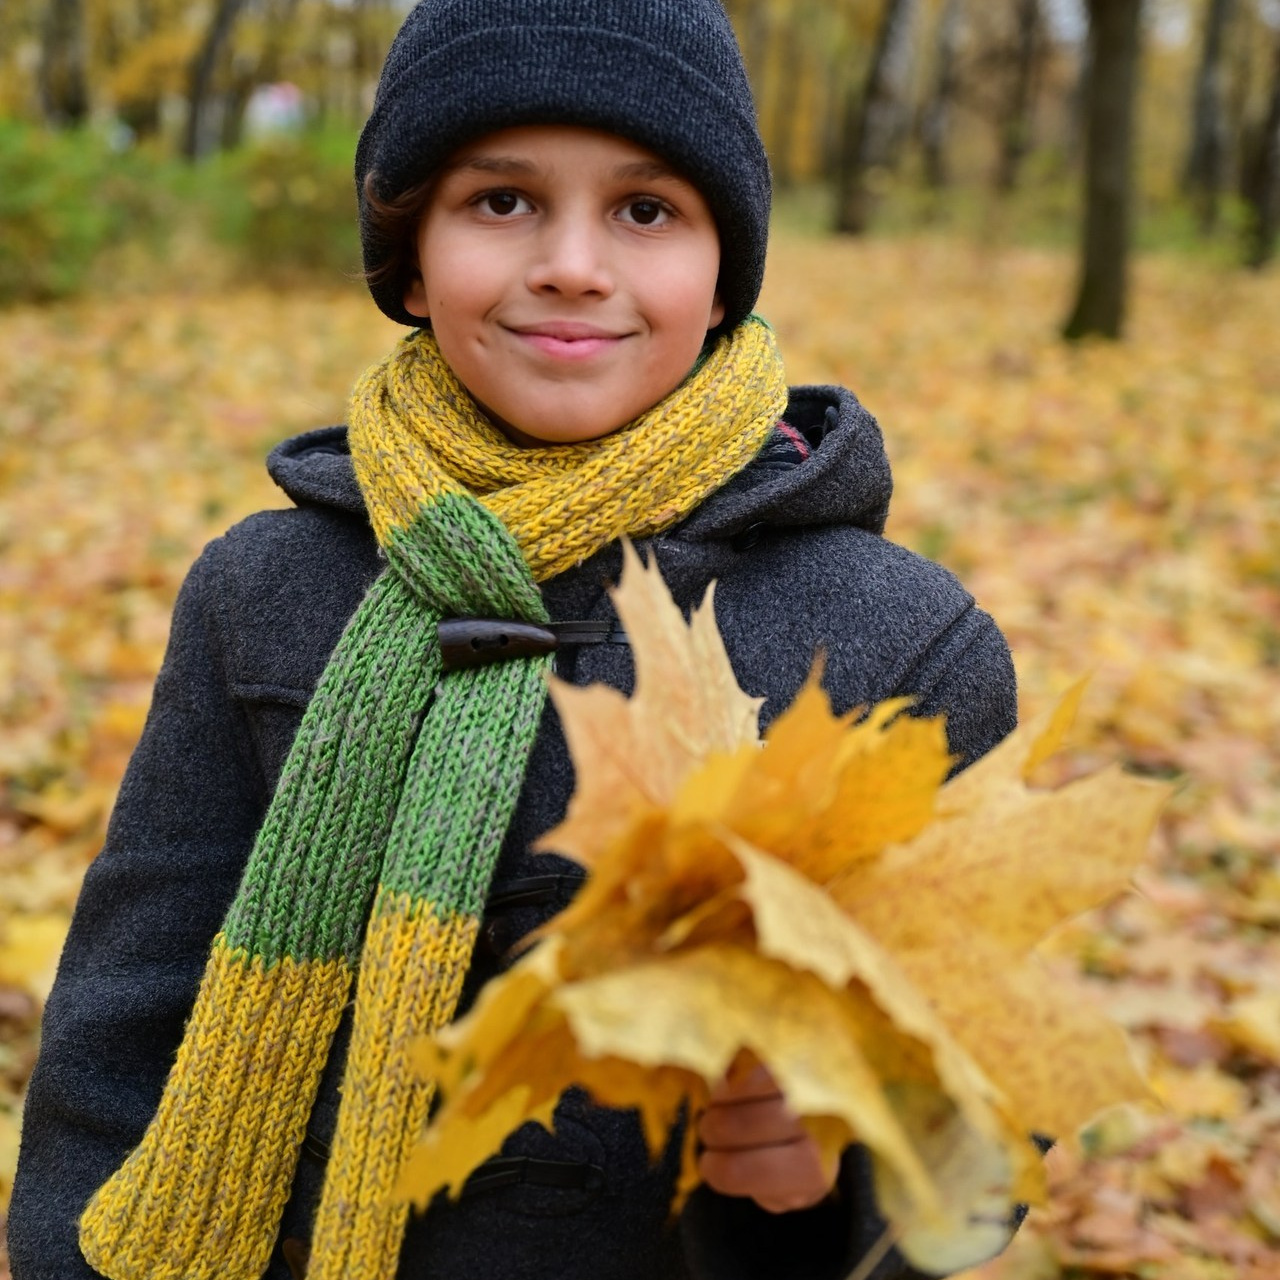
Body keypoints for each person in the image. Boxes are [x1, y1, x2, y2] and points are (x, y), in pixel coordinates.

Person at [8, 3, 1018, 1279]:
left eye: (645, 212)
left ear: (722, 276)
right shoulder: (264, 592)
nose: (573, 265)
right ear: (410, 257)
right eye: (501, 202)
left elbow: (981, 1121)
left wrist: (836, 1162)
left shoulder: (895, 643)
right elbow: (122, 1027)